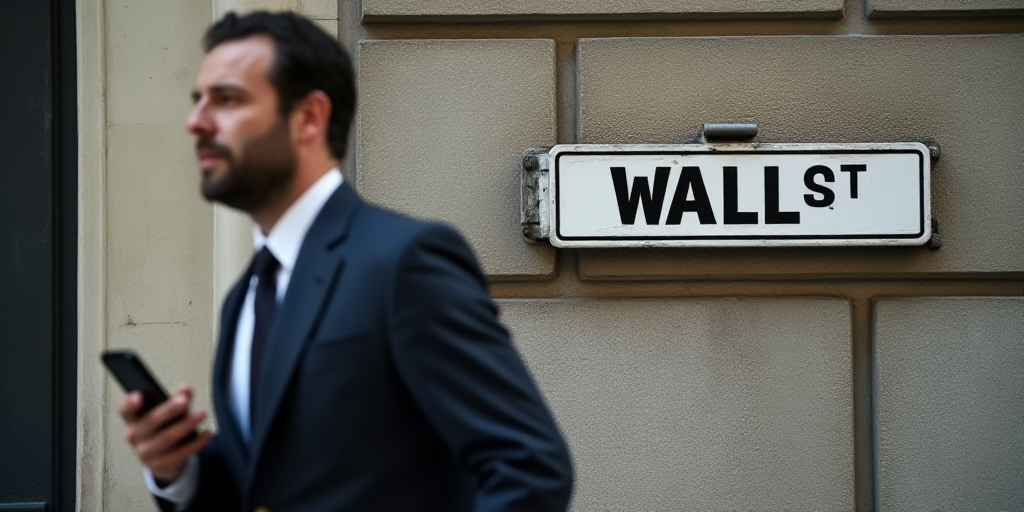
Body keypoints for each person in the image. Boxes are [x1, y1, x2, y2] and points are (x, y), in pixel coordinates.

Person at [116, 11, 573, 512]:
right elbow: (268, 475)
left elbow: (528, 466)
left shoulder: (404, 261)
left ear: (309, 117)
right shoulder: (244, 295)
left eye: (227, 99)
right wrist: (176, 471)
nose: (196, 121)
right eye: (197, 100)